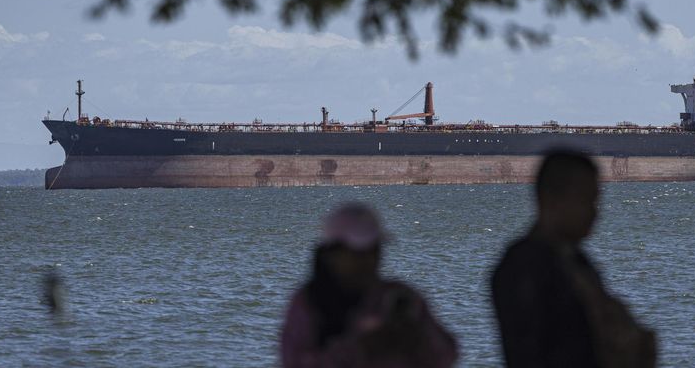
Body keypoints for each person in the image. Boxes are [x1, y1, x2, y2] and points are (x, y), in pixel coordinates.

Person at [492, 150, 656, 368]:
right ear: (551, 199)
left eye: (595, 201)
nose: (594, 212)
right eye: (586, 200)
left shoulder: (575, 259)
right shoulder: (524, 266)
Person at [280, 203, 458, 368]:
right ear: (332, 254)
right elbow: (294, 362)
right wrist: (360, 347)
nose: (369, 260)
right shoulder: (308, 303)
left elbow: (447, 355)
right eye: (358, 253)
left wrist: (416, 337)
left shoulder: (401, 296)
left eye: (374, 250)